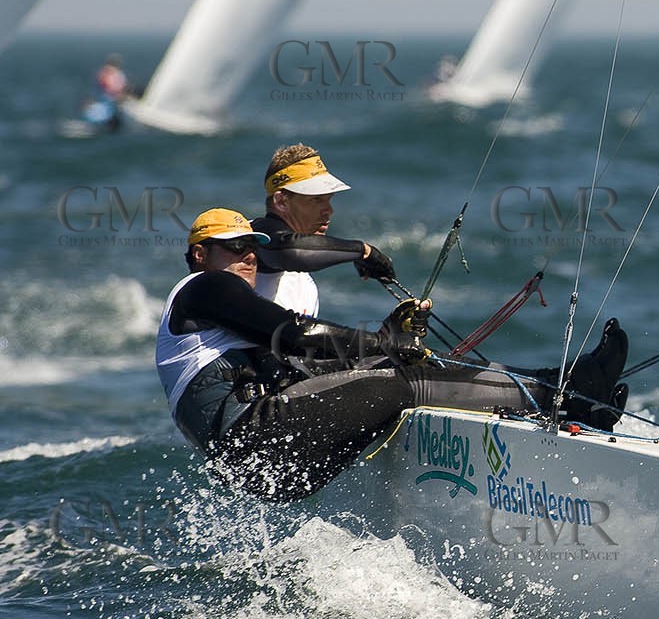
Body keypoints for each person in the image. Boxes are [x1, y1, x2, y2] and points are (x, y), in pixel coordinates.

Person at [156, 208, 629, 502]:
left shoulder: (223, 320)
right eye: (233, 248)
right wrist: (386, 345)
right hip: (255, 443)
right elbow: (296, 335)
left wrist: (387, 342)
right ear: (200, 255)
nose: (248, 256)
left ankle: (566, 391)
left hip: (265, 467)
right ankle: (562, 393)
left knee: (404, 369)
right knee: (406, 381)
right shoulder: (204, 288)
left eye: (253, 248)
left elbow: (310, 367)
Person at [249, 143, 395, 317]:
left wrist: (392, 332)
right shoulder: (251, 237)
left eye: (329, 199)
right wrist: (363, 251)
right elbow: (290, 251)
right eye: (316, 200)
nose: (329, 210)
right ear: (281, 202)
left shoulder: (304, 284)